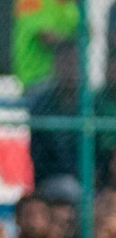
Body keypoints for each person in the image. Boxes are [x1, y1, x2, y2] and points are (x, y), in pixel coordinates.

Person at [14, 0, 79, 93]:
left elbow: (87, 31)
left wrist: (78, 2)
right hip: (37, 80)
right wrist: (74, 40)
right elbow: (45, 37)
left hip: (66, 81)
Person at [28, 41, 81, 184]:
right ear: (56, 66)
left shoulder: (91, 102)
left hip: (89, 180)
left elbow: (100, 152)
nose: (70, 69)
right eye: (66, 63)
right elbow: (39, 155)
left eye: (75, 63)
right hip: (53, 179)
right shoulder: (43, 103)